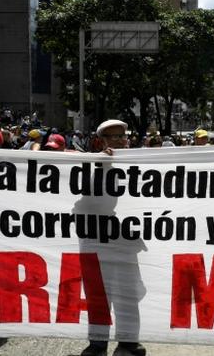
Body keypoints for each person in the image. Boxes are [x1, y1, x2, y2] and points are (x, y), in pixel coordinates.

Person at [81, 119, 145, 356]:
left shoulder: (137, 163)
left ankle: (129, 343)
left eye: (122, 136)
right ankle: (98, 344)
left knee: (127, 295)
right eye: (113, 137)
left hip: (126, 243)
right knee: (98, 295)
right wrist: (101, 165)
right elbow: (82, 199)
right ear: (101, 141)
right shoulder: (88, 165)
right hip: (95, 241)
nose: (120, 141)